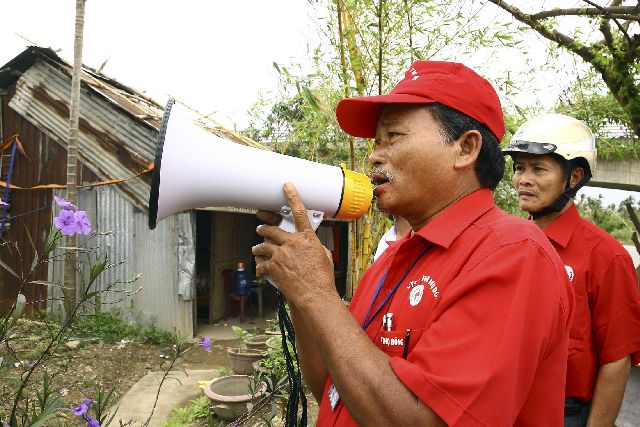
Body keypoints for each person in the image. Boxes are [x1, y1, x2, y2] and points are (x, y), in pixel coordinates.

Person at [252, 61, 574, 426]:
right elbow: (332, 387)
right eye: (376, 141)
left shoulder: (513, 254)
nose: (375, 154)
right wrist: (301, 293)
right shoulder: (391, 259)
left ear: (466, 148)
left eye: (393, 136)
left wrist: (317, 293)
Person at [503, 113, 640, 427]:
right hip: (506, 402)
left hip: (565, 412)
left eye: (538, 168)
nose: (524, 179)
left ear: (575, 176)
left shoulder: (607, 256)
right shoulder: (509, 244)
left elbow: (617, 357)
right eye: (520, 167)